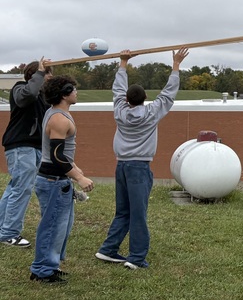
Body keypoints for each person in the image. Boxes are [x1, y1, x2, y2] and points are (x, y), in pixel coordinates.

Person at [96, 47, 188, 270]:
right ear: (145, 98)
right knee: (138, 214)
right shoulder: (151, 113)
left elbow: (117, 88)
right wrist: (176, 65)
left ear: (127, 99)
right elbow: (168, 94)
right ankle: (135, 258)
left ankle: (108, 249)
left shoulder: (119, 109)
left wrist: (123, 62)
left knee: (123, 211)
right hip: (139, 169)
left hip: (122, 167)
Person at [30, 76, 94, 285]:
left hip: (57, 180)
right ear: (65, 93)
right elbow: (57, 156)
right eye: (73, 89)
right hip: (53, 181)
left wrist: (73, 167)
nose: (76, 92)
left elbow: (56, 153)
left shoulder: (59, 114)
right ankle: (42, 270)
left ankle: (50, 265)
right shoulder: (59, 119)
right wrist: (79, 177)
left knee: (61, 227)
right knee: (52, 227)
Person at [0, 58, 51, 247]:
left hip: (35, 147)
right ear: (35, 75)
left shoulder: (43, 97)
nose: (49, 78)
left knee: (16, 187)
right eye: (47, 74)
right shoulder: (20, 88)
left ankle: (2, 228)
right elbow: (28, 95)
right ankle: (9, 233)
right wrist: (40, 71)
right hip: (21, 145)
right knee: (21, 189)